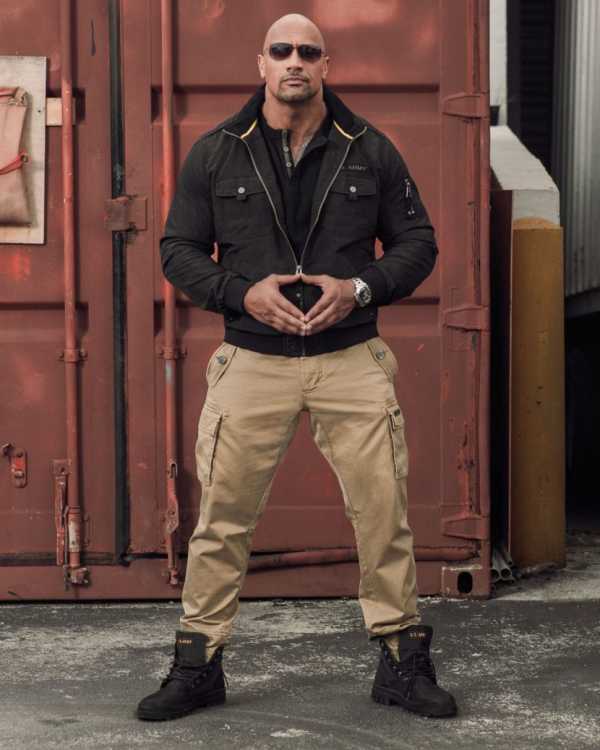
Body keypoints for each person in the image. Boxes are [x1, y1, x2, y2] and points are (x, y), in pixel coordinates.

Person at [136, 12, 457, 722]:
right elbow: (177, 250)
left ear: (325, 65)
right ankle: (197, 665)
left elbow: (418, 243)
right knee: (221, 519)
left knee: (383, 514)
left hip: (350, 358)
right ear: (261, 63)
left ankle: (401, 663)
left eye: (308, 52)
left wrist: (360, 288)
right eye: (281, 50)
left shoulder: (370, 148)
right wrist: (240, 292)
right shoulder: (216, 152)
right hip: (252, 358)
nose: (294, 61)